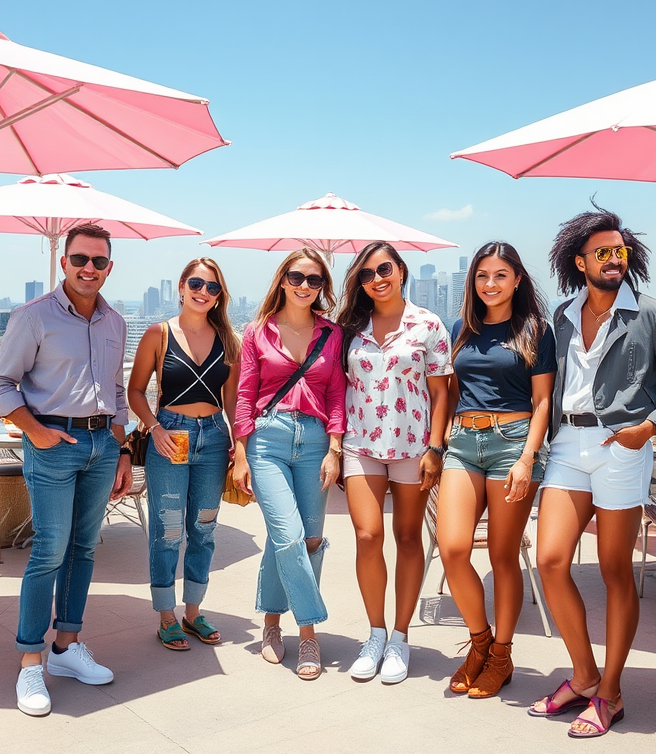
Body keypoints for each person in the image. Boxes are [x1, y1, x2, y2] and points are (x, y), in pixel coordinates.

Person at [530, 205, 656, 737]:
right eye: (601, 252)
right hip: (566, 445)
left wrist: (649, 430)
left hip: (621, 448)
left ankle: (610, 691)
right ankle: (583, 674)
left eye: (620, 251)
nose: (613, 259)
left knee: (612, 571)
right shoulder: (561, 316)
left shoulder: (650, 313)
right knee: (552, 560)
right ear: (579, 261)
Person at [0, 223, 132, 717]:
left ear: (109, 268)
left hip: (101, 445)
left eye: (98, 261)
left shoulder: (116, 321)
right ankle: (31, 662)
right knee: (49, 550)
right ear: (63, 262)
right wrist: (36, 431)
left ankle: (67, 648)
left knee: (84, 548)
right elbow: (0, 384)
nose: (88, 268)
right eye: (79, 259)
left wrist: (120, 445)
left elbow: (117, 390)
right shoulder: (33, 317)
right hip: (53, 444)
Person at [437, 241, 556, 699]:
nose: (490, 284)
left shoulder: (534, 331)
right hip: (464, 445)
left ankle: (502, 656)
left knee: (503, 557)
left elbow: (543, 401)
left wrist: (528, 457)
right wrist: (444, 434)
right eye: (482, 275)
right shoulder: (460, 329)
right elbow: (449, 389)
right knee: (453, 549)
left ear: (518, 280)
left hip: (512, 445)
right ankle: (480, 642)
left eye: (500, 275)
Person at [335, 242, 451, 684]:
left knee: (406, 537)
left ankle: (401, 638)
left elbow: (442, 392)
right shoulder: (350, 327)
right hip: (360, 444)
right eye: (366, 275)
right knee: (367, 535)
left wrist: (436, 448)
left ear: (401, 271)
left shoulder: (428, 324)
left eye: (384, 269)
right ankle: (375, 634)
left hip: (413, 446)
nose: (376, 279)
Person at [232, 248, 345, 680]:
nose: (304, 286)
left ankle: (270, 624)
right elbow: (245, 395)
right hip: (268, 440)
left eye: (314, 280)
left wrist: (334, 448)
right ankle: (309, 632)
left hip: (315, 441)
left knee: (309, 539)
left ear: (322, 287)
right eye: (297, 277)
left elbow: (336, 393)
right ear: (282, 280)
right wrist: (241, 452)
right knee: (289, 534)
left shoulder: (331, 334)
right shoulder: (258, 332)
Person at [127, 258, 240, 651]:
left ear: (219, 295)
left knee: (204, 528)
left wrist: (238, 447)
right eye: (196, 283)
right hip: (170, 435)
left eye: (212, 288)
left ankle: (193, 613)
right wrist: (154, 428)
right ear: (180, 285)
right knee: (168, 530)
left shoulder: (228, 339)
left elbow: (233, 401)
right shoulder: (158, 334)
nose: (203, 292)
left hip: (212, 438)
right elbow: (136, 390)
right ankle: (165, 617)